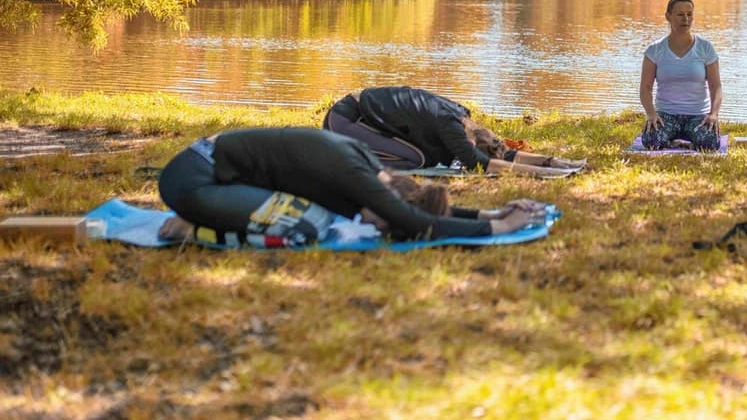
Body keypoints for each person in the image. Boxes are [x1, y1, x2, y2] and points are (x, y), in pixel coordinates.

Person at [156, 127, 548, 246]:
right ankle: (193, 228)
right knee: (307, 227)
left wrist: (487, 211)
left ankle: (199, 220)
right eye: (382, 223)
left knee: (317, 219)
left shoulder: (368, 168)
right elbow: (410, 220)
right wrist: (501, 228)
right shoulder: (357, 177)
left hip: (206, 174)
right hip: (194, 183)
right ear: (390, 197)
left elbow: (410, 213)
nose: (376, 226)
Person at [323, 87, 585, 176]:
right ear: (472, 143)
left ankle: (353, 154)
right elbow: (480, 164)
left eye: (493, 138)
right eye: (495, 140)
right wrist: (540, 173)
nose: (495, 139)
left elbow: (498, 155)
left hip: (363, 116)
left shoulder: (463, 117)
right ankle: (348, 159)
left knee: (421, 156)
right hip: (346, 118)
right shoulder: (453, 128)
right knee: (418, 159)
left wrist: (551, 161)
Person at [638, 0, 723, 151]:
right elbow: (645, 88)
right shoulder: (655, 50)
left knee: (710, 143)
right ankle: (678, 144)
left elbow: (716, 86)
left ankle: (684, 144)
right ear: (668, 17)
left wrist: (713, 114)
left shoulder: (705, 48)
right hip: (666, 116)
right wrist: (651, 114)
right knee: (651, 140)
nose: (685, 19)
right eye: (680, 14)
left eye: (689, 14)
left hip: (698, 116)